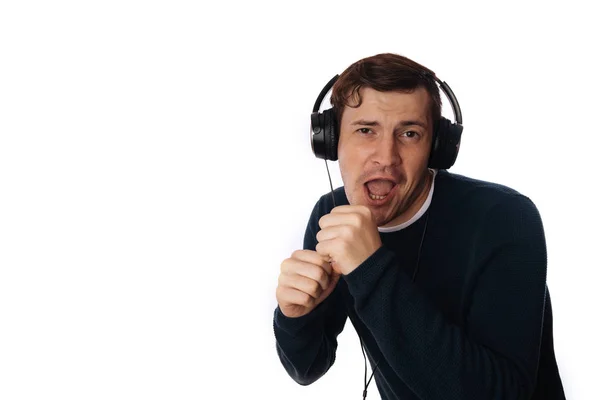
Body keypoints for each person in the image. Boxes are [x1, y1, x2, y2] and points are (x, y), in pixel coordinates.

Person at [272, 53, 565, 399]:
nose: (386, 156)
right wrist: (294, 317)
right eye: (366, 130)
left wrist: (370, 268)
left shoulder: (506, 219)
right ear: (332, 140)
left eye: (409, 133)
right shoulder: (333, 215)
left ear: (436, 148)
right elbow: (307, 367)